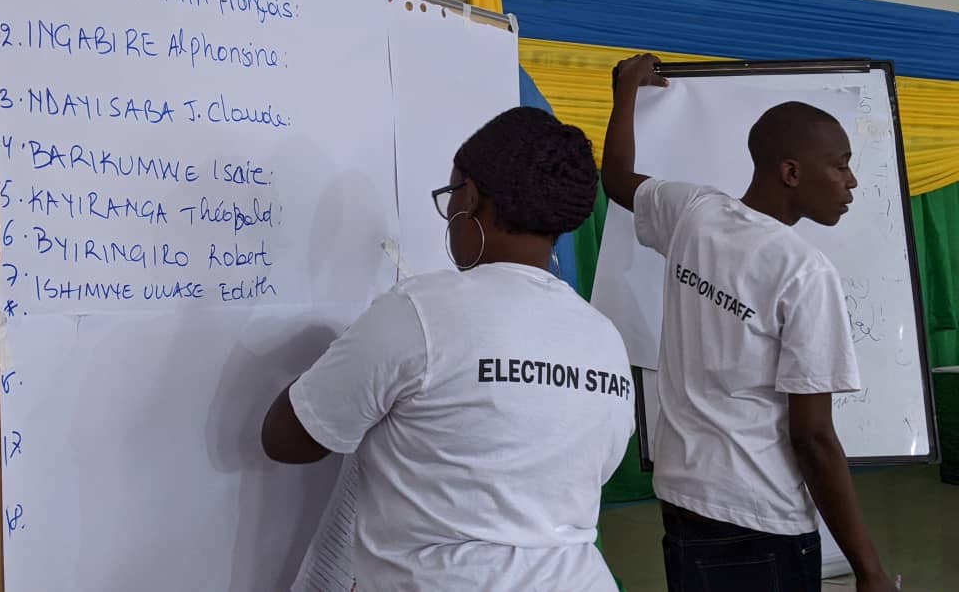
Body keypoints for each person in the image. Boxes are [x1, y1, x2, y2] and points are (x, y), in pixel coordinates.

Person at [262, 106, 636, 591]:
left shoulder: (420, 311)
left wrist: (339, 359)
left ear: (471, 198)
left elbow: (286, 438)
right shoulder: (603, 337)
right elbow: (588, 472)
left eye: (451, 194)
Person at [601, 54, 894, 592]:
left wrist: (625, 94)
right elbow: (813, 437)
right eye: (841, 165)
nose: (852, 181)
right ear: (791, 172)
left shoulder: (693, 213)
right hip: (761, 518)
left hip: (684, 500)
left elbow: (616, 179)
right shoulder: (803, 271)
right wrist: (868, 569)